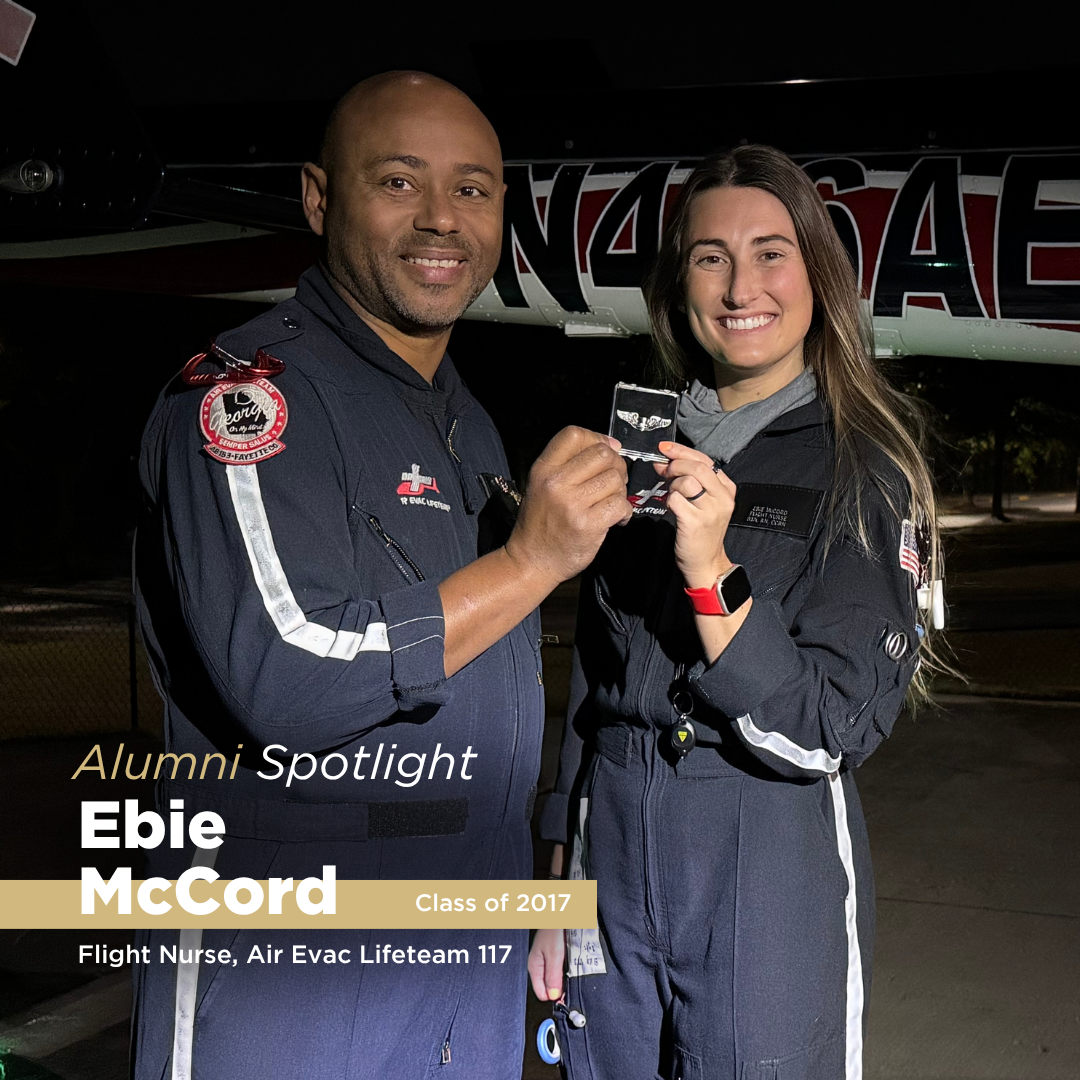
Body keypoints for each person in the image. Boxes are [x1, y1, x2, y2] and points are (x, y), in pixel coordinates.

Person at [133, 72, 631, 1080]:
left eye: (474, 189)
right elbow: (288, 673)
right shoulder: (246, 398)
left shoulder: (464, 416)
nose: (441, 219)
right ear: (321, 198)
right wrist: (532, 558)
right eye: (399, 183)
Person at [529, 145, 943, 1080]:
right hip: (613, 853)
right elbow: (593, 687)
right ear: (678, 283)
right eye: (710, 256)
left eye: (771, 252)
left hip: (766, 850)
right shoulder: (635, 451)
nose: (739, 284)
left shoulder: (862, 468)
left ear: (816, 277)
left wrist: (713, 571)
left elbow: (830, 728)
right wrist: (556, 880)